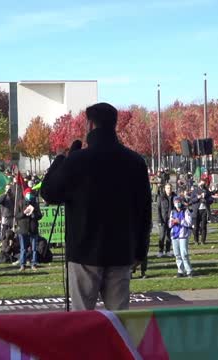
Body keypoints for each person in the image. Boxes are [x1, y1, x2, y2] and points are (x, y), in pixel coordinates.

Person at [41, 102, 151, 311]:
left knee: (82, 322)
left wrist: (60, 160)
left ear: (90, 125)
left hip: (84, 252)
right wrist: (140, 251)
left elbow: (49, 192)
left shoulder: (77, 161)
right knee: (119, 323)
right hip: (121, 251)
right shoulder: (135, 162)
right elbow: (144, 211)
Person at [15, 188, 42, 271]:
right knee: (23, 248)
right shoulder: (20, 203)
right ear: (25, 194)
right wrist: (24, 213)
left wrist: (34, 215)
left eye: (30, 193)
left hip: (33, 228)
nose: (29, 195)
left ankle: (33, 264)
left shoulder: (35, 203)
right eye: (28, 193)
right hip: (23, 228)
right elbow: (17, 216)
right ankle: (22, 264)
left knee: (34, 248)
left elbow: (40, 215)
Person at [169, 197, 193, 278]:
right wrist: (172, 222)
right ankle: (180, 270)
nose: (177, 203)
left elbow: (189, 223)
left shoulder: (185, 211)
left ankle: (189, 270)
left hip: (183, 235)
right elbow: (169, 224)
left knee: (184, 254)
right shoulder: (172, 212)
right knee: (177, 254)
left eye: (178, 202)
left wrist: (180, 221)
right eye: (176, 202)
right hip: (174, 235)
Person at [190, 180, 213, 245]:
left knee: (203, 226)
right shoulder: (195, 191)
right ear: (199, 183)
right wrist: (198, 197)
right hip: (196, 210)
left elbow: (211, 200)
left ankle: (203, 240)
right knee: (196, 227)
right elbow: (191, 200)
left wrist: (206, 199)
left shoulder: (207, 191)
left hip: (204, 210)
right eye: (201, 183)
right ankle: (196, 240)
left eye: (204, 183)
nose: (202, 185)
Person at [157, 183, 175, 257]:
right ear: (165, 189)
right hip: (163, 219)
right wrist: (159, 220)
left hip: (171, 219)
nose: (169, 189)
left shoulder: (174, 196)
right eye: (167, 188)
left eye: (170, 188)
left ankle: (168, 250)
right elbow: (158, 209)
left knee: (169, 235)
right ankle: (160, 251)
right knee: (162, 235)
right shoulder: (161, 197)